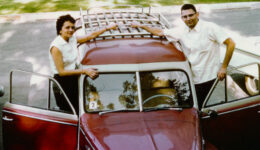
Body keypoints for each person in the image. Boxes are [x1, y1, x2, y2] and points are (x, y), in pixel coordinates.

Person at [131, 4, 235, 109]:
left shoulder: (210, 28)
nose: (188, 19)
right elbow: (160, 32)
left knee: (196, 108)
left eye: (191, 15)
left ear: (197, 14)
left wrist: (224, 67)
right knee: (183, 104)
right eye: (185, 17)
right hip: (189, 77)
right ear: (182, 18)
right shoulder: (181, 31)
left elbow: (231, 44)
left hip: (207, 78)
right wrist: (141, 26)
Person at [49, 14, 117, 113]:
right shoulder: (56, 47)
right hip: (62, 82)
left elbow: (90, 36)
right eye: (67, 27)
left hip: (73, 77)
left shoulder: (71, 38)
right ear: (60, 30)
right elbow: (61, 72)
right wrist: (85, 71)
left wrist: (107, 28)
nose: (71, 30)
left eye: (73, 27)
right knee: (69, 111)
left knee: (79, 106)